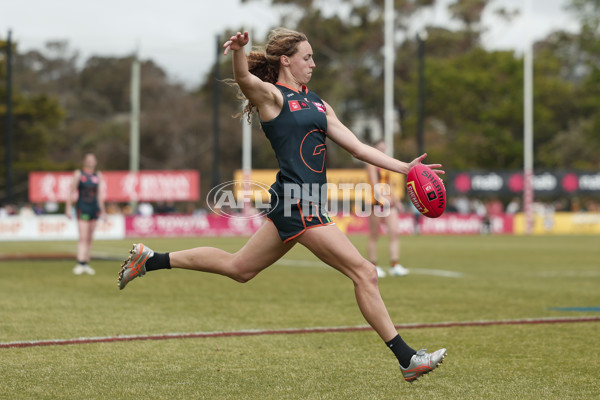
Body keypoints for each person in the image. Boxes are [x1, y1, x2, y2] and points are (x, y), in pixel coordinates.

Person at [118, 29, 446, 383]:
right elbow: (244, 78)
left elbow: (358, 147)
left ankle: (151, 260)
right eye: (307, 57)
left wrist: (408, 168)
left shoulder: (319, 104)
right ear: (286, 60)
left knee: (239, 268)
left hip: (297, 203)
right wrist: (240, 52)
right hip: (299, 204)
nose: (313, 64)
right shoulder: (273, 97)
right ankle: (407, 359)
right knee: (364, 272)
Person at [366, 140, 410, 278]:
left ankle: (395, 264)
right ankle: (374, 266)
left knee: (394, 232)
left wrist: (396, 201)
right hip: (376, 203)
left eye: (384, 147)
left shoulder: (386, 164)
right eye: (380, 147)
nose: (383, 150)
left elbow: (390, 184)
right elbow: (374, 184)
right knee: (374, 235)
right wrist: (384, 198)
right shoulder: (371, 163)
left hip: (389, 203)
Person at [66, 152, 106, 275]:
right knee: (83, 237)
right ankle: (80, 263)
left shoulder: (98, 175)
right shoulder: (79, 174)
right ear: (84, 161)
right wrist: (68, 207)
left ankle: (86, 263)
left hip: (94, 208)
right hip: (82, 208)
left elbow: (99, 195)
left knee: (90, 237)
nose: (90, 161)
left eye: (92, 159)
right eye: (88, 159)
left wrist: (103, 211)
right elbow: (71, 191)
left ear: (95, 162)